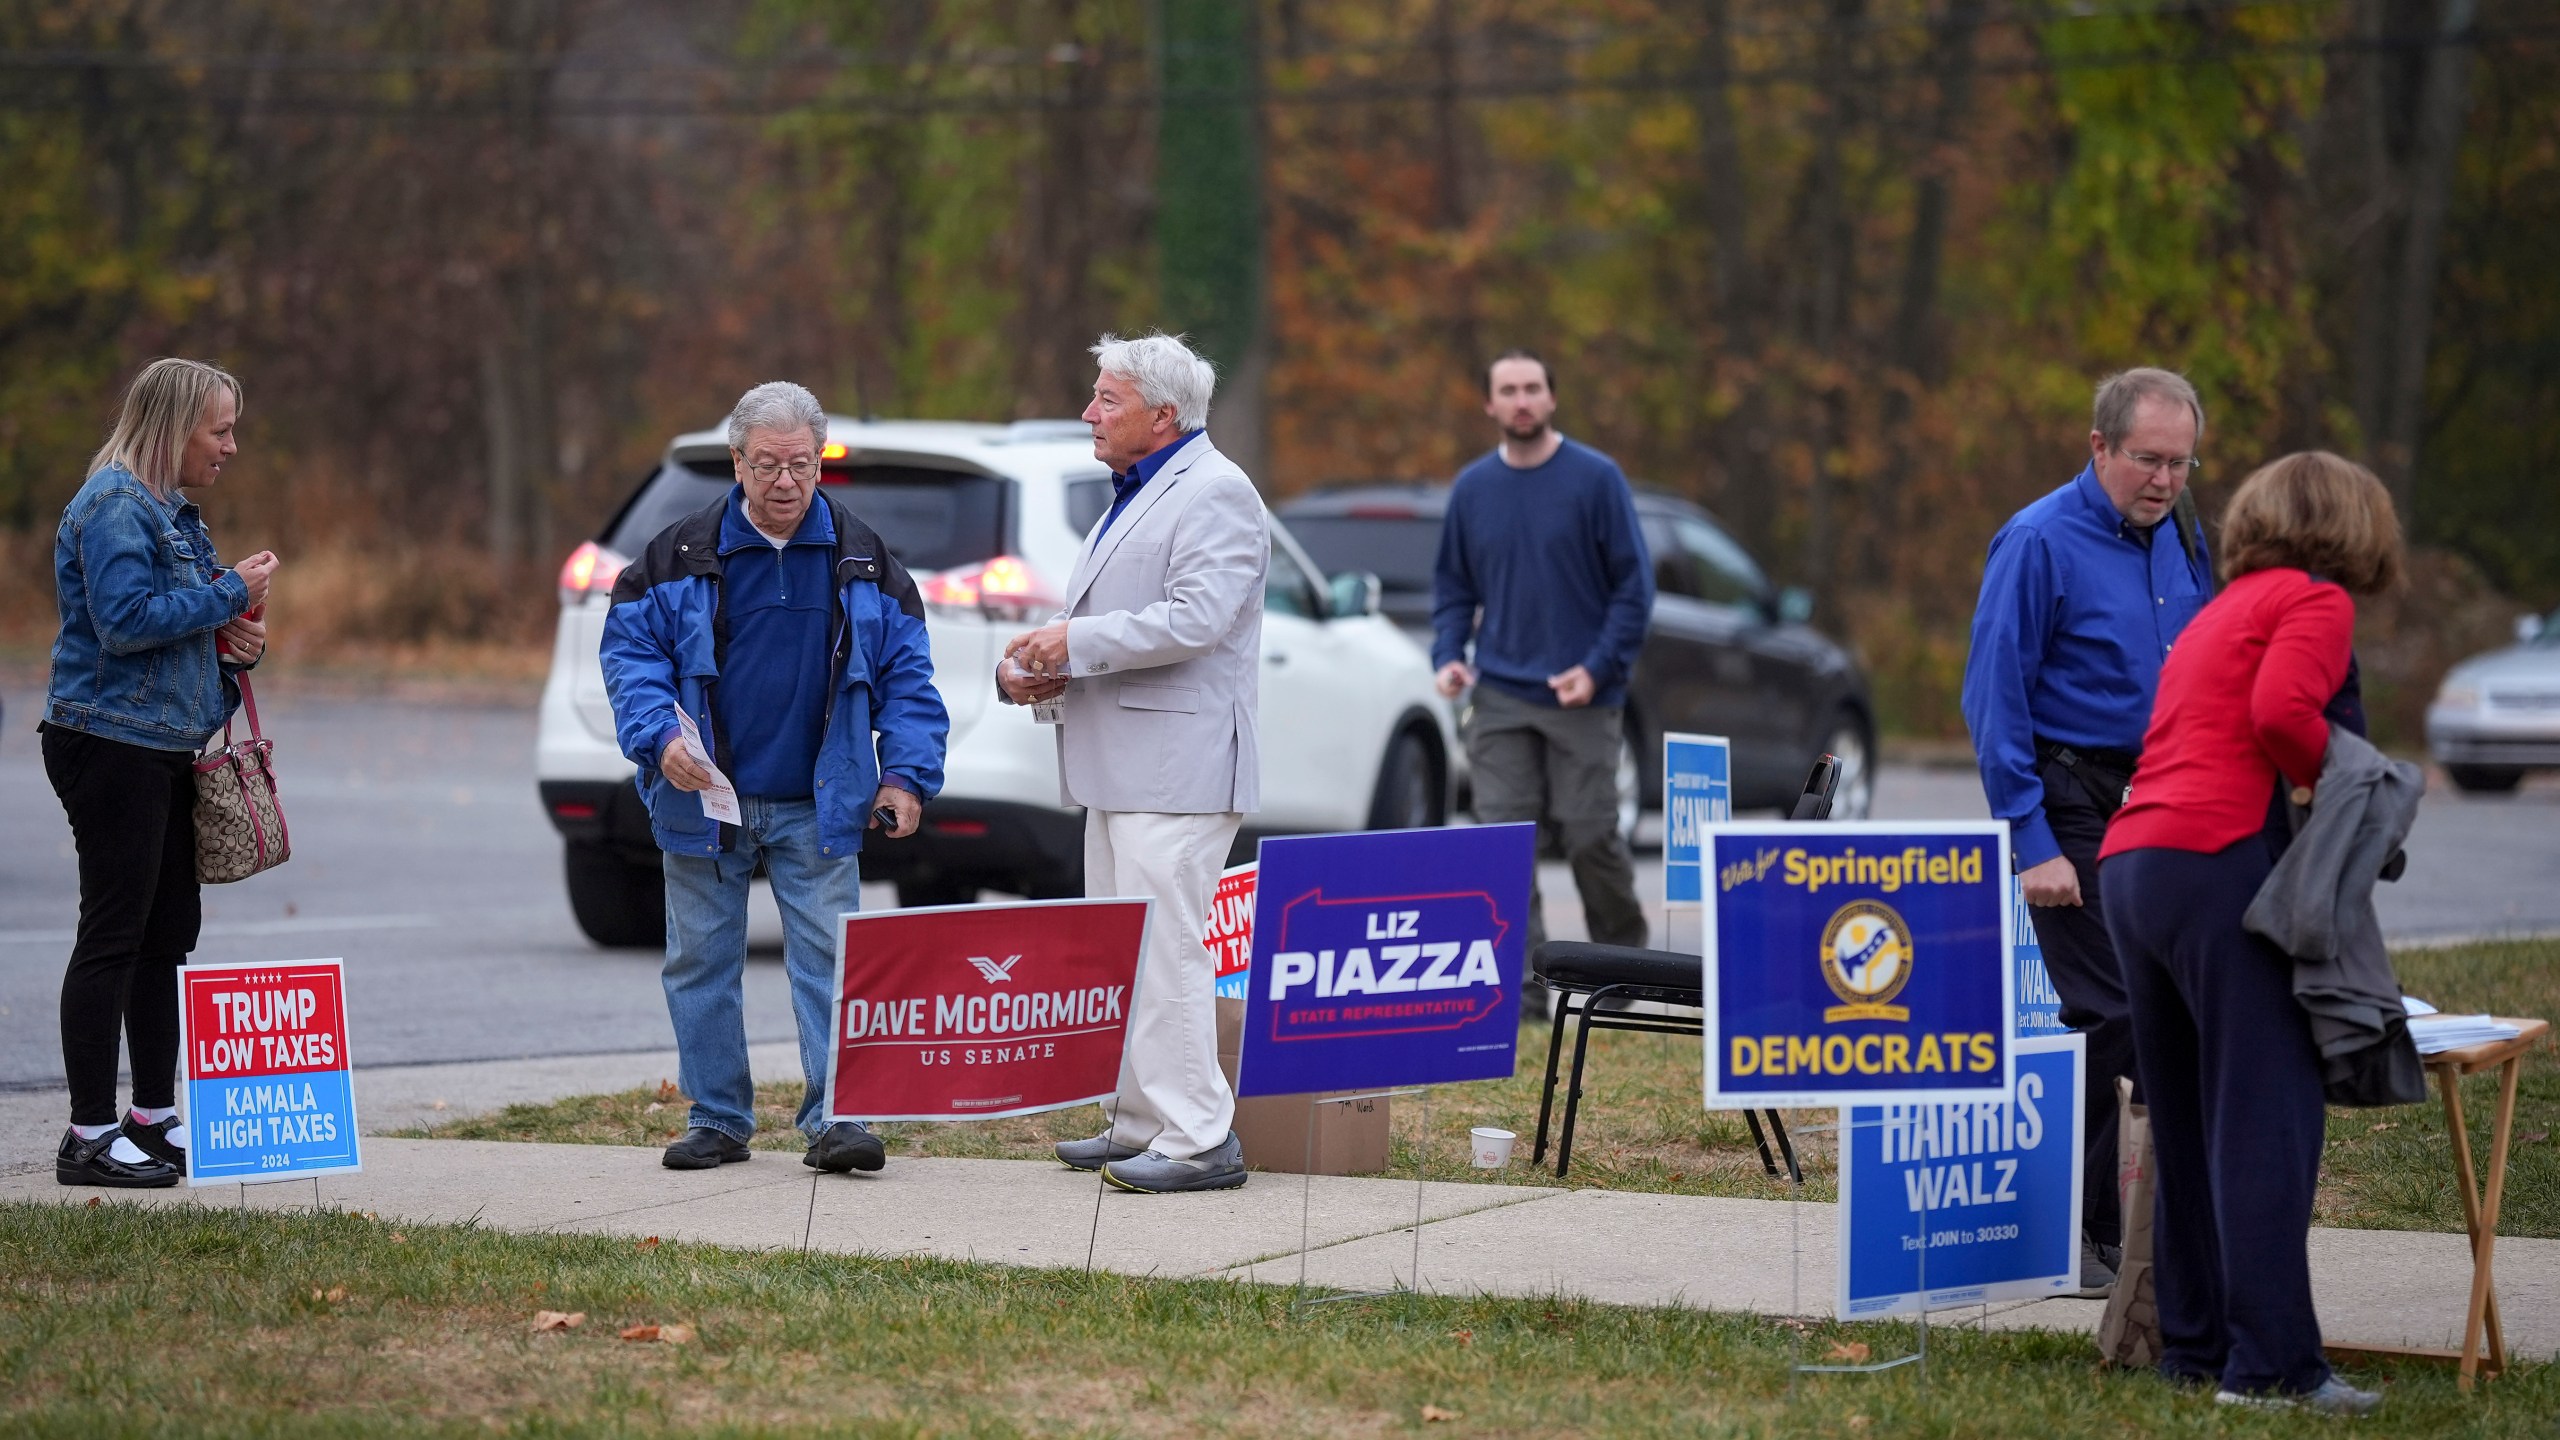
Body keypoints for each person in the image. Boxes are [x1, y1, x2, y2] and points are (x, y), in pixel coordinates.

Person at [2098, 453, 2401, 1416]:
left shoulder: (2215, 610)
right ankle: (2272, 1368)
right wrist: (2338, 782)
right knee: (2264, 1117)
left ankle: (2194, 1347)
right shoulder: (2312, 599)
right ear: (2353, 525)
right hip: (2219, 860)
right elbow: (2281, 715)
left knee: (2184, 1118)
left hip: (2134, 865)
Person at [601, 381, 948, 1175]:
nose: (784, 481)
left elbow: (909, 680)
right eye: (766, 465)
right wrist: (659, 741)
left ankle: (837, 1119)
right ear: (737, 462)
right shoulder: (674, 556)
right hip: (702, 800)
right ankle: (718, 1118)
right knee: (699, 962)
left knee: (832, 960)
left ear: (819, 464)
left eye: (800, 464)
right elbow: (630, 660)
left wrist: (907, 777)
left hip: (819, 804)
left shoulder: (867, 562)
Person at [1959, 367, 2215, 1293]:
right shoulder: (2036, 541)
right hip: (2070, 799)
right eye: (2147, 459)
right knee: (2115, 1014)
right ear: (2098, 446)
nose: (2164, 479)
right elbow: (1993, 698)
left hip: (2167, 800)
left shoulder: (2187, 536)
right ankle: (2088, 1232)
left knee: (2173, 1013)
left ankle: (2154, 1225)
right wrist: (2032, 841)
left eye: (2181, 463)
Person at [1000, 332, 1266, 1195]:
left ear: (1163, 414)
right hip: (1125, 767)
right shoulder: (1136, 491)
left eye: (1106, 400)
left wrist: (1070, 641)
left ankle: (1199, 1139)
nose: (1089, 413)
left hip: (1179, 771)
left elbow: (1196, 619)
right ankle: (1145, 1121)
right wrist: (1043, 674)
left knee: (1167, 952)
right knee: (1125, 952)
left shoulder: (1218, 490)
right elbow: (1124, 625)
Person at [44, 358, 278, 1188]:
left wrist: (236, 643)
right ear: (173, 427)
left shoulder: (176, 516)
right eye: (219, 430)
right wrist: (224, 595)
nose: (230, 446)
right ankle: (88, 1135)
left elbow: (179, 639)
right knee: (114, 932)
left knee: (167, 934)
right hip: (107, 742)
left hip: (162, 744)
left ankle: (150, 1115)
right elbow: (124, 625)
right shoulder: (112, 505)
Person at [1430, 349, 1652, 988]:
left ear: (1551, 399)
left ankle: (1627, 974)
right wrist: (1447, 654)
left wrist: (1598, 667)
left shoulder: (1596, 479)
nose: (1522, 400)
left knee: (1591, 838)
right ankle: (1523, 993)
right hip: (1499, 695)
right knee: (1505, 850)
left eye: (1533, 388)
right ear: (1490, 405)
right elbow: (1452, 589)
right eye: (1509, 390)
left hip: (1583, 695)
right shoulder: (1473, 489)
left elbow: (1633, 591)